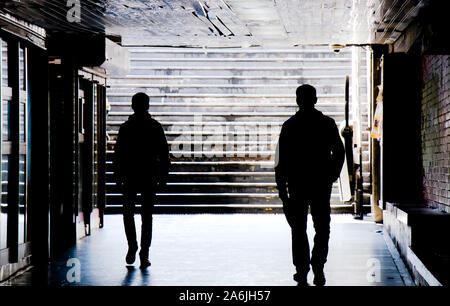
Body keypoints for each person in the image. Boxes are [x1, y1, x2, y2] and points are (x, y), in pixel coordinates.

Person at [275, 84, 345, 286]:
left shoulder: (289, 126)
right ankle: (318, 266)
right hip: (320, 184)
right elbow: (339, 153)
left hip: (297, 184)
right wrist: (331, 175)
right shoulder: (327, 123)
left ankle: (302, 269)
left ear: (297, 100)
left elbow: (280, 161)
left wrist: (282, 190)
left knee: (298, 229)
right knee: (322, 227)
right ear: (316, 100)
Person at [114, 92, 170, 269]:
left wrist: (117, 176)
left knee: (128, 212)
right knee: (147, 216)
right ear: (148, 106)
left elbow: (118, 155)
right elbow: (164, 154)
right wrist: (163, 176)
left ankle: (132, 245)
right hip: (149, 175)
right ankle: (144, 252)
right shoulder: (155, 127)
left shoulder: (126, 128)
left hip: (130, 175)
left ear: (132, 106)